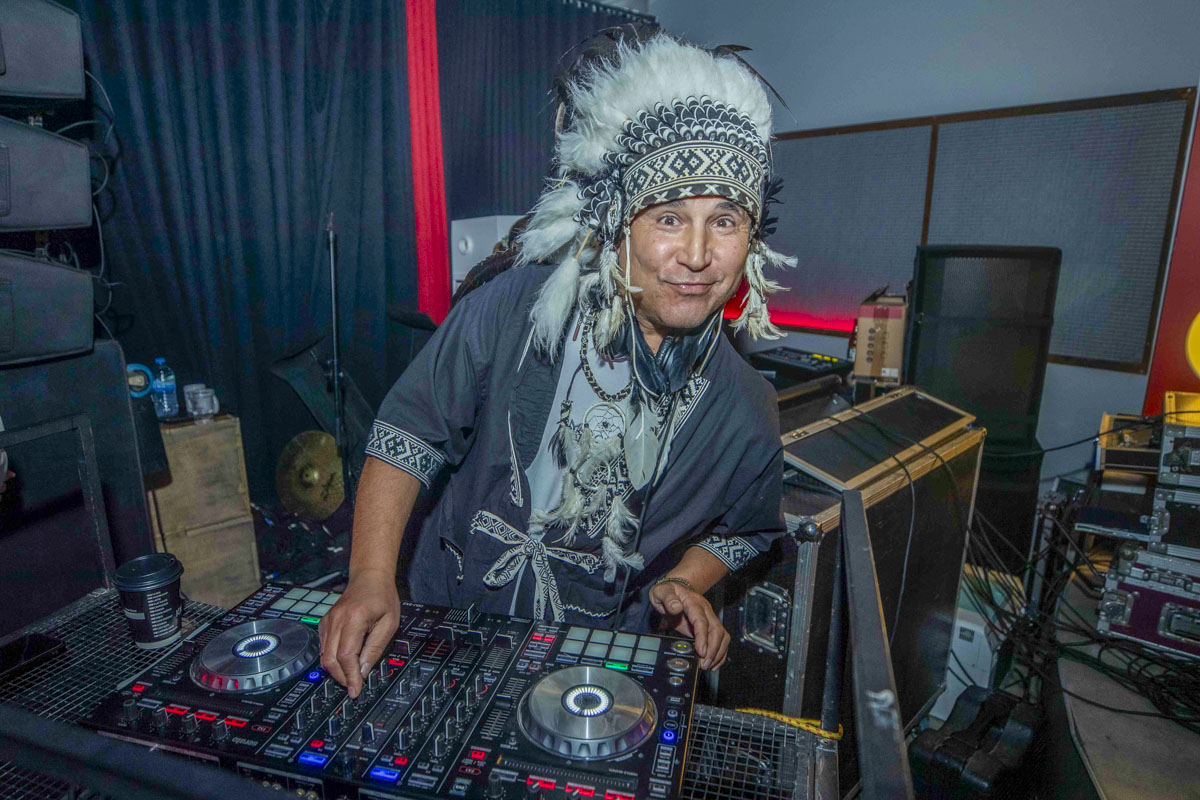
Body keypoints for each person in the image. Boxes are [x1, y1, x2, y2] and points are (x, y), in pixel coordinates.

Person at [321, 28, 798, 699]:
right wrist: (370, 576)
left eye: (724, 220)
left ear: (751, 237)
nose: (697, 255)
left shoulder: (746, 404)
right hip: (447, 626)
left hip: (598, 671)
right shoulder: (514, 308)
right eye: (667, 217)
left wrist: (684, 582)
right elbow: (408, 433)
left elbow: (747, 529)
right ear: (617, 222)